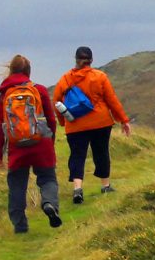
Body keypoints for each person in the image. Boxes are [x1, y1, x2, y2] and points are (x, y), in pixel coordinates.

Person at [53, 46, 132, 204]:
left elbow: (57, 102)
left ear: (76, 59)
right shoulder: (100, 77)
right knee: (101, 152)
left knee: (77, 156)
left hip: (75, 125)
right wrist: (124, 120)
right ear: (91, 60)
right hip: (100, 123)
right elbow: (112, 100)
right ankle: (105, 185)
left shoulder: (65, 79)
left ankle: (77, 189)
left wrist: (63, 121)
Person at [0, 55, 62, 233]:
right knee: (47, 178)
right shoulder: (39, 90)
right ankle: (49, 204)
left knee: (16, 184)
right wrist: (50, 141)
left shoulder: (5, 95)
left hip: (17, 146)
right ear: (28, 72)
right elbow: (51, 120)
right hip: (41, 143)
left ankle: (20, 226)